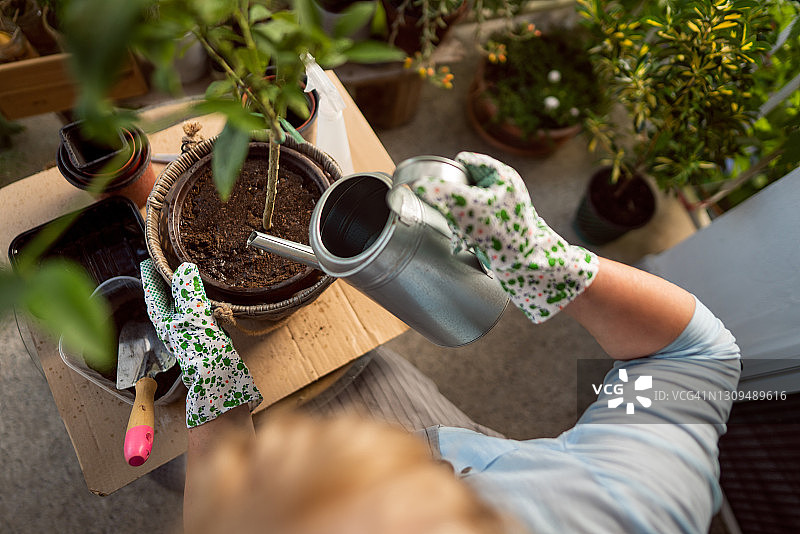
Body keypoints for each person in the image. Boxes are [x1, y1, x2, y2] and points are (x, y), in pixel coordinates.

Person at [141, 153, 740, 534]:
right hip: (480, 454)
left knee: (170, 468)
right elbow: (693, 359)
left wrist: (214, 397)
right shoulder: (641, 501)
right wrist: (542, 262)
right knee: (373, 374)